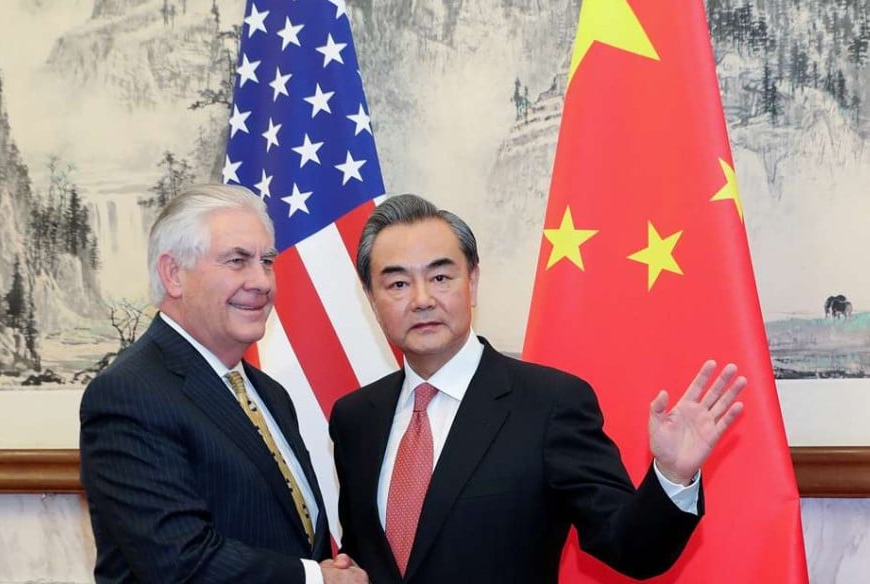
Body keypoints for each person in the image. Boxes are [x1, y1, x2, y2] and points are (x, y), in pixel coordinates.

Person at [329, 194, 746, 584]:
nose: (422, 300)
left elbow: (631, 548)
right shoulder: (355, 418)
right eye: (398, 284)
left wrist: (673, 475)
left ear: (472, 282)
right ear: (371, 297)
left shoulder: (550, 405)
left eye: (440, 277)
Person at [80, 184, 367, 583]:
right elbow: (179, 563)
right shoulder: (128, 395)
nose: (262, 281)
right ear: (174, 274)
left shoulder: (269, 395)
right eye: (237, 261)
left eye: (267, 261)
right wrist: (317, 580)